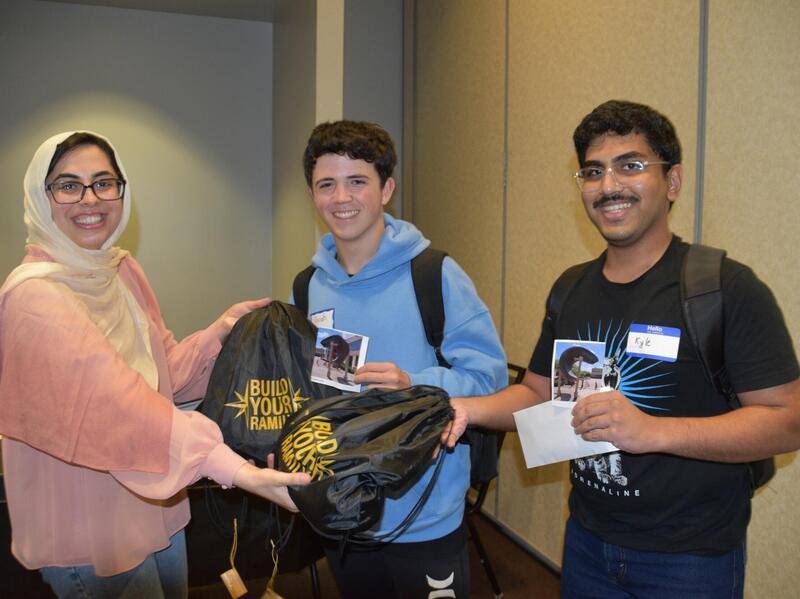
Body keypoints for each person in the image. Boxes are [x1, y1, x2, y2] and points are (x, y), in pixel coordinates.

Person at [445, 100, 800, 598]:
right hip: (589, 541)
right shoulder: (571, 288)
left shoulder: (724, 288)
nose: (608, 185)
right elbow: (536, 393)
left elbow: (787, 419)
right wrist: (465, 409)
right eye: (593, 171)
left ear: (672, 182)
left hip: (690, 558)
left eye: (630, 165)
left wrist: (651, 431)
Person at [0, 131, 311, 598]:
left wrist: (222, 332)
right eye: (68, 185)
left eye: (104, 182)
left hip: (155, 504)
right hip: (90, 528)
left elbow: (166, 372)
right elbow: (117, 404)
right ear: (40, 198)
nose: (90, 199)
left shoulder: (120, 271)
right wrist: (237, 471)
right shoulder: (33, 298)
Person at [295, 120, 507, 598]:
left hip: (423, 514)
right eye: (326, 184)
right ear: (312, 195)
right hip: (344, 508)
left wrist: (416, 382)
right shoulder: (308, 286)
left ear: (386, 189)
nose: (341, 197)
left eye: (358, 181)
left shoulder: (435, 274)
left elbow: (489, 378)